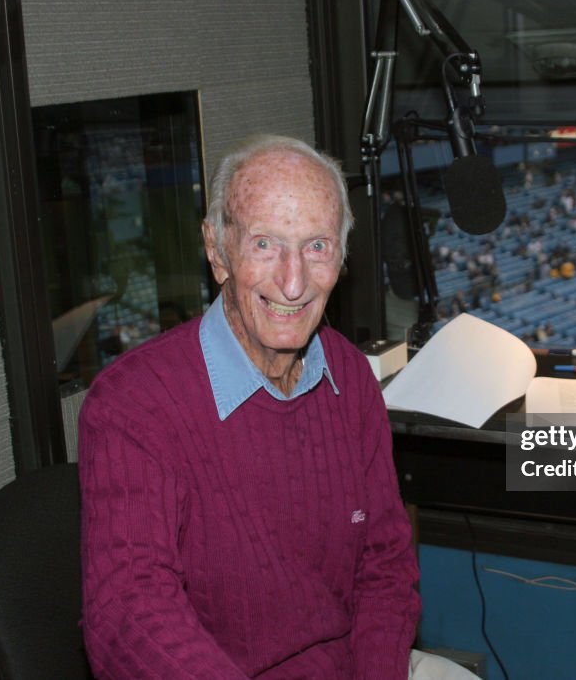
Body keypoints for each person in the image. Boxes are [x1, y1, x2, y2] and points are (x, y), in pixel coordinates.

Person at [79, 134, 475, 679]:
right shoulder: (133, 403)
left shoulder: (351, 377)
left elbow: (384, 567)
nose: (293, 282)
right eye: (265, 244)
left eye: (317, 246)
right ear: (217, 251)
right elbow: (127, 611)